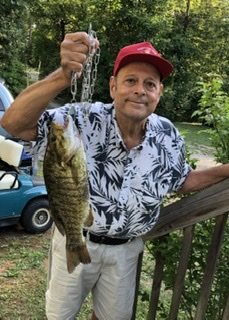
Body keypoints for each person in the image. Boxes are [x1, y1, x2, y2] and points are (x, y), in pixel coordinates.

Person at [1, 32, 229, 320]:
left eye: (150, 84)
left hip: (125, 251)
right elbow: (13, 124)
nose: (140, 90)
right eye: (130, 80)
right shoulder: (80, 119)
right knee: (60, 315)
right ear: (113, 86)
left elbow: (182, 179)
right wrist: (63, 75)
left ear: (159, 92)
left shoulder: (168, 134)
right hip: (76, 235)